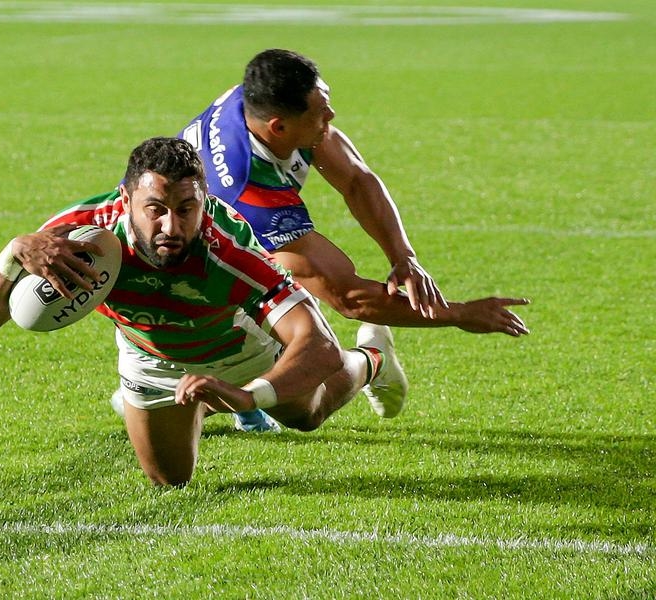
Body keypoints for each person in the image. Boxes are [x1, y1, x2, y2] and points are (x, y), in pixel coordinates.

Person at [0, 137, 410, 487]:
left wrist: (250, 395)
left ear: (203, 200)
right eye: (155, 210)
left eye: (186, 209)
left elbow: (318, 346)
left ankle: (372, 358)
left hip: (237, 345)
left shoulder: (229, 253)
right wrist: (12, 253)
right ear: (125, 200)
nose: (171, 227)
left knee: (306, 415)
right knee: (170, 479)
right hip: (150, 353)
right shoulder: (80, 235)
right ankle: (203, 403)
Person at [177, 48, 529, 429]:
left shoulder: (255, 100)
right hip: (189, 285)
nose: (331, 116)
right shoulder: (250, 196)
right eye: (320, 113)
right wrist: (458, 314)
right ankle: (373, 357)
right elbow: (348, 296)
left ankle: (240, 385)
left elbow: (357, 180)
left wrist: (403, 257)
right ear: (278, 128)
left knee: (268, 394)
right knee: (305, 409)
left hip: (211, 264)